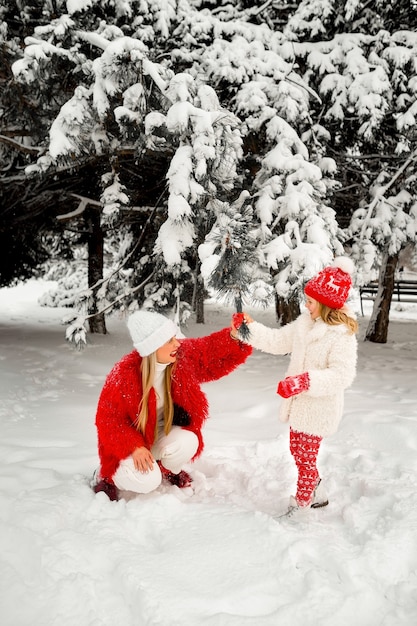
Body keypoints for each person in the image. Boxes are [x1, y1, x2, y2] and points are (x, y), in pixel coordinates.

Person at [231, 257, 358, 516]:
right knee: (296, 450)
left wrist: (305, 382)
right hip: (299, 407)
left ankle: (301, 507)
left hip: (319, 408)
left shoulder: (341, 334)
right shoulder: (304, 324)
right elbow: (277, 341)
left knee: (306, 458)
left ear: (325, 305)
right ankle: (317, 492)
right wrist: (248, 329)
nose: (306, 304)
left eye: (311, 301)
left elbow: (342, 375)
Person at [93, 310, 252, 500]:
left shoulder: (181, 358)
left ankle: (165, 470)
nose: (177, 343)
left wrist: (235, 335)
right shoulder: (124, 375)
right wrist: (134, 446)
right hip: (130, 445)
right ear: (152, 347)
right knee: (148, 481)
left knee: (188, 441)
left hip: (158, 436)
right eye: (169, 340)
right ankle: (106, 476)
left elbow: (208, 351)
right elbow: (108, 422)